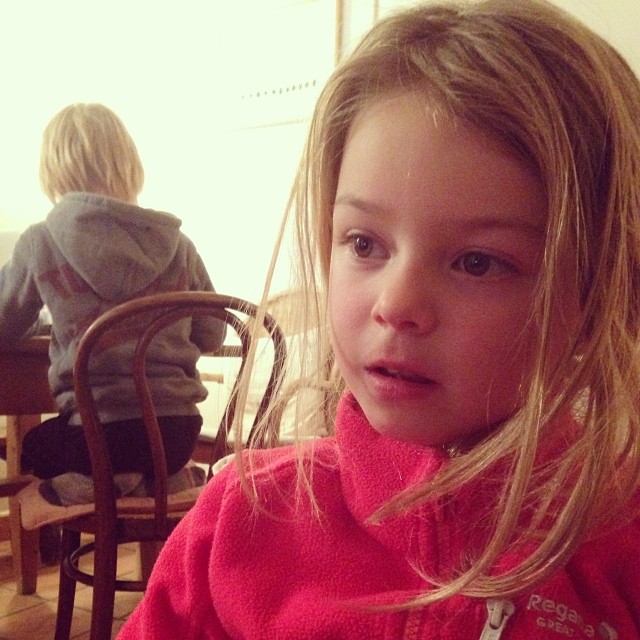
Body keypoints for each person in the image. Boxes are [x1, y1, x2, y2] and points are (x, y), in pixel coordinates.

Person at [118, 1, 640, 638]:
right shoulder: (239, 525)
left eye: (478, 262)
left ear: (600, 293)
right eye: (364, 243)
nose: (395, 304)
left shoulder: (621, 545)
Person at [0, 103, 226, 486]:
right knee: (139, 447)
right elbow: (213, 335)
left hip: (97, 439)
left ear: (53, 170)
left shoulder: (42, 241)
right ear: (129, 162)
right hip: (177, 435)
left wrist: (42, 319)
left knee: (35, 447)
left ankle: (102, 486)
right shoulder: (178, 245)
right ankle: (152, 482)